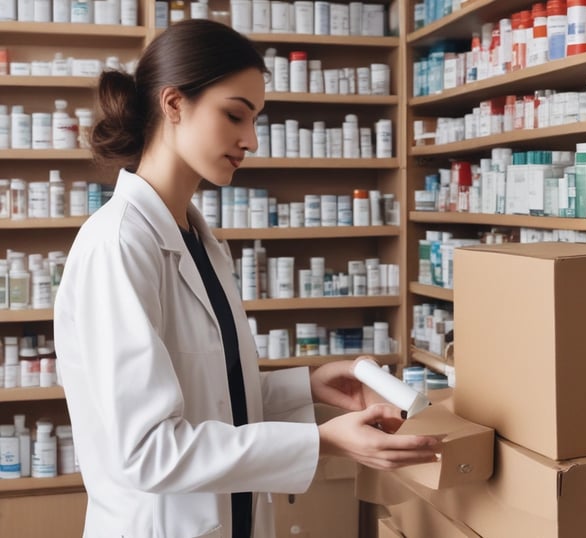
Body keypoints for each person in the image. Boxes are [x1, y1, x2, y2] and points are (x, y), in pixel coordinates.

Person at [53, 19, 439, 538]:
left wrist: (310, 385)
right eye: (234, 115)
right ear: (173, 104)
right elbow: (147, 452)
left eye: (255, 119)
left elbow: (210, 393)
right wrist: (323, 440)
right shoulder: (119, 245)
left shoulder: (198, 239)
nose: (251, 139)